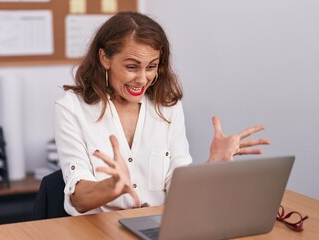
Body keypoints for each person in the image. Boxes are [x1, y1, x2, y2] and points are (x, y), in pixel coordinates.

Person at [54, 11, 270, 216]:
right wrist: (111, 187)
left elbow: (179, 186)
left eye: (151, 67)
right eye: (132, 67)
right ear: (104, 58)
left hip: (159, 227)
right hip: (97, 230)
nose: (142, 79)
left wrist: (212, 166)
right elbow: (78, 198)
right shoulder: (72, 108)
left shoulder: (168, 107)